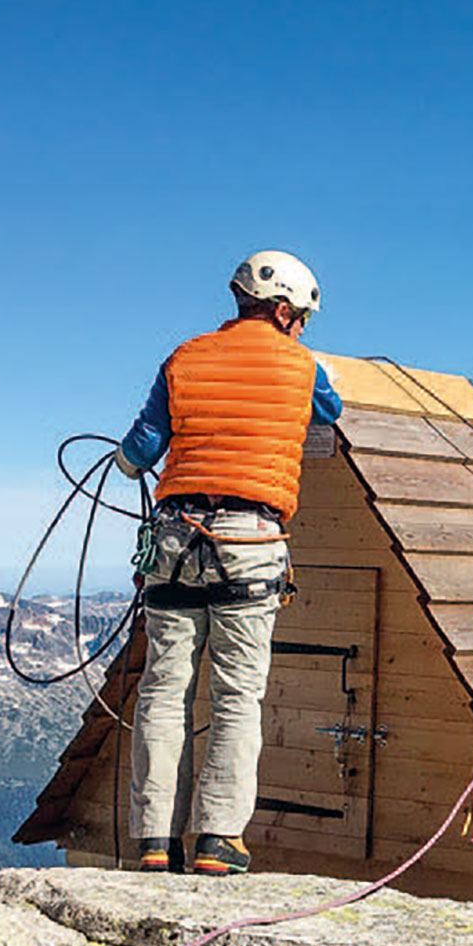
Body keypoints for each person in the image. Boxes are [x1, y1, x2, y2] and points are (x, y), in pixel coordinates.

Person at [114, 250, 343, 876]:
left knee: (164, 690)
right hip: (250, 541)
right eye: (300, 318)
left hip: (175, 538)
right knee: (237, 695)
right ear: (281, 310)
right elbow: (330, 412)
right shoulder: (304, 367)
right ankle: (218, 839)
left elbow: (140, 449)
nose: (302, 329)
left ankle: (155, 840)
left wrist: (132, 463)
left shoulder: (183, 358)